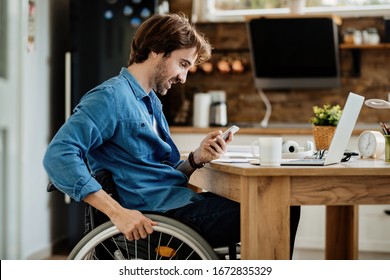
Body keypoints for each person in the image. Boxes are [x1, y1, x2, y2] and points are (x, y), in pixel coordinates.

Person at [43, 13, 300, 255]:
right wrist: (118, 213)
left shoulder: (150, 101)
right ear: (156, 50)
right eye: (182, 64)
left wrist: (196, 159)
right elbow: (58, 155)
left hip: (175, 206)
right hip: (163, 217)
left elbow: (154, 174)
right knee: (281, 207)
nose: (184, 78)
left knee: (280, 201)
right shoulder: (111, 98)